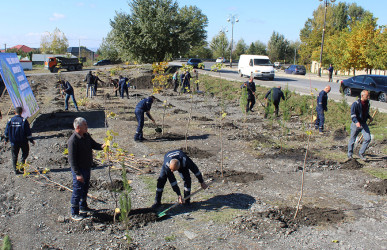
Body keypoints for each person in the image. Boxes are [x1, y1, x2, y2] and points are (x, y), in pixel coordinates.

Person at [68, 117, 105, 221]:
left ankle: (83, 206)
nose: (87, 126)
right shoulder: (73, 140)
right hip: (79, 170)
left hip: (87, 167)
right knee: (77, 190)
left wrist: (102, 146)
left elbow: (94, 145)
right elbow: (71, 160)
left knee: (85, 188)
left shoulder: (86, 136)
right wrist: (77, 174)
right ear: (78, 127)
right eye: (85, 125)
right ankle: (74, 212)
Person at [4, 107, 35, 174]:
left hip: (13, 142)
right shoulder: (23, 121)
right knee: (25, 153)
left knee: (14, 155)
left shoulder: (10, 120)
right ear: (21, 112)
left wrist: (6, 139)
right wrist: (31, 140)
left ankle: (15, 170)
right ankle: (22, 164)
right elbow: (28, 132)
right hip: (23, 141)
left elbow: (6, 131)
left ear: (15, 112)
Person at [347, 90, 373, 161]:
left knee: (368, 138)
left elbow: (365, 112)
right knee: (352, 139)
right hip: (356, 124)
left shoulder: (367, 103)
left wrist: (369, 117)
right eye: (367, 96)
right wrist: (356, 122)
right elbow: (353, 114)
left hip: (363, 124)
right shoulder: (356, 104)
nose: (368, 97)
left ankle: (361, 153)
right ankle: (350, 154)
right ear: (362, 96)